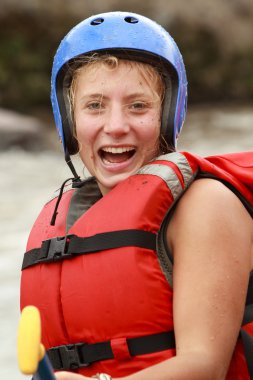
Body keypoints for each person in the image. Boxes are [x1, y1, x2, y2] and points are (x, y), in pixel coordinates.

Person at [20, 11, 253, 380]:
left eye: (138, 106)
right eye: (95, 105)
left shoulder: (206, 205)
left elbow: (206, 367)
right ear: (69, 121)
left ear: (167, 115)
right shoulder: (63, 221)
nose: (116, 126)